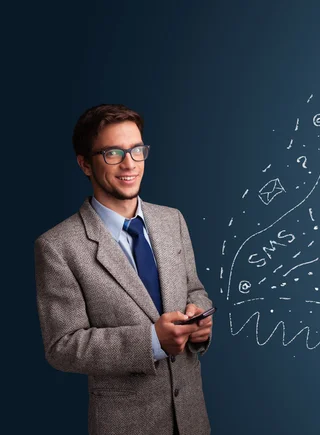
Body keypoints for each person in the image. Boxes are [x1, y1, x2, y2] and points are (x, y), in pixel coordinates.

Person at [34, 104, 213, 435]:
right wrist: (151, 341)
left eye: (136, 150)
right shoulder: (58, 246)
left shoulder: (172, 220)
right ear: (85, 164)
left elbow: (194, 289)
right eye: (113, 153)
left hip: (192, 420)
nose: (129, 163)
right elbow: (62, 346)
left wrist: (199, 317)